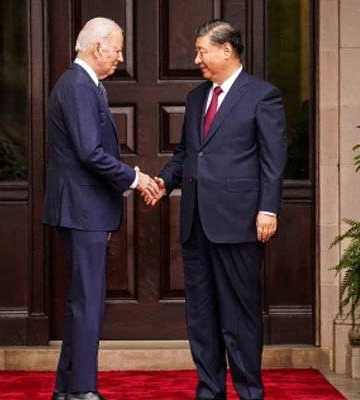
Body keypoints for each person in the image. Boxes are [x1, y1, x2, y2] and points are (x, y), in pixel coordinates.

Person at [147, 19, 287, 400]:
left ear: (227, 50)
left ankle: (248, 393)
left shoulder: (263, 96)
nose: (196, 60)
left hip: (239, 223)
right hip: (195, 224)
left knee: (240, 318)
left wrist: (268, 210)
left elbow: (273, 161)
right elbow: (186, 154)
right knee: (202, 318)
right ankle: (209, 392)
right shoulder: (196, 98)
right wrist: (164, 182)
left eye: (201, 51)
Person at [42, 17, 160, 400]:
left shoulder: (84, 85)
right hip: (82, 210)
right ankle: (81, 390)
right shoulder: (78, 85)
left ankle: (66, 388)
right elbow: (89, 152)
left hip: (85, 209)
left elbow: (91, 153)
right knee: (87, 303)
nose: (121, 58)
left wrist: (127, 175)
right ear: (97, 48)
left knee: (83, 300)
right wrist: (134, 178)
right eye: (118, 49)